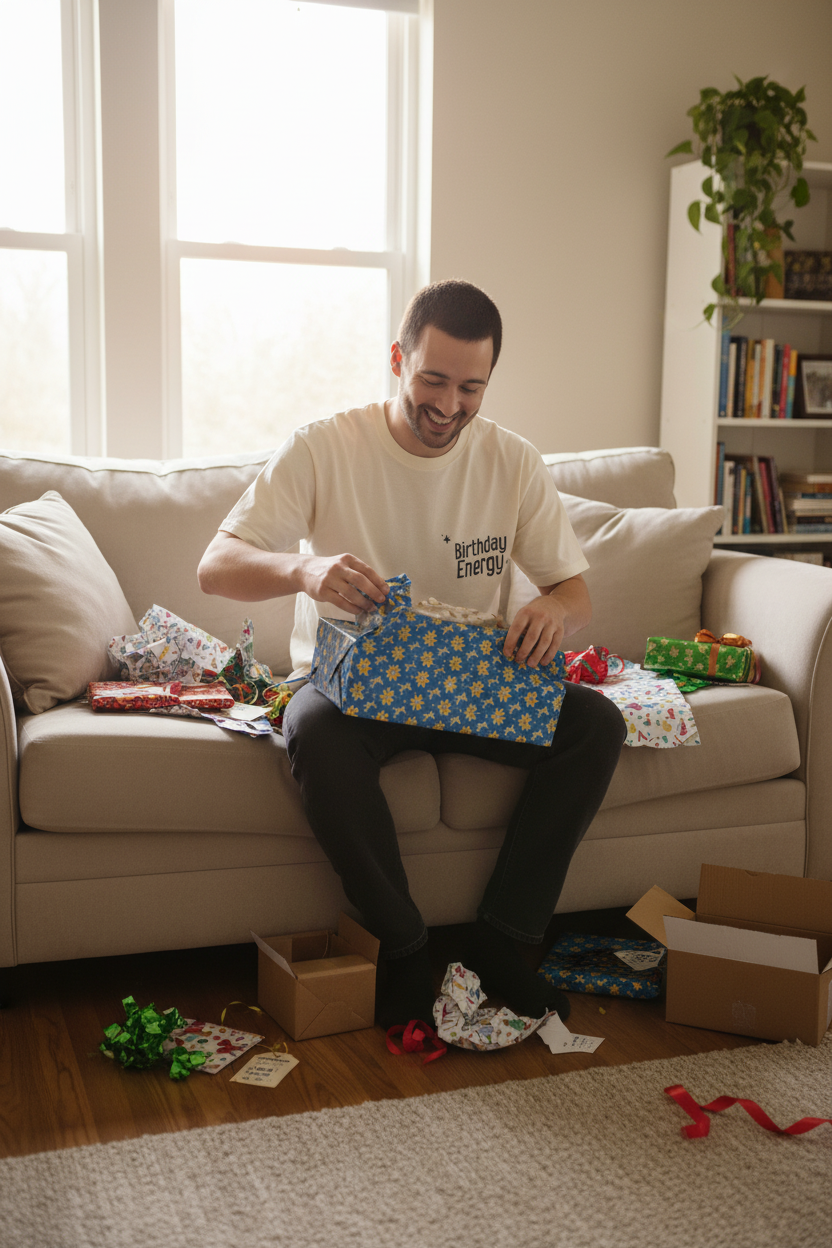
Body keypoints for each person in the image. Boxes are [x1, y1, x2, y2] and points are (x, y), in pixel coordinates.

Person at [198, 279, 626, 1027]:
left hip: (468, 687)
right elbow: (216, 563)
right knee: (313, 733)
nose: (449, 405)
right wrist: (306, 569)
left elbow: (575, 592)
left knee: (597, 724)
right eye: (432, 379)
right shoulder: (326, 444)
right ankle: (402, 944)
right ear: (398, 359)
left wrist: (549, 610)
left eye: (471, 388)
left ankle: (501, 940)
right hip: (353, 688)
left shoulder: (513, 462)